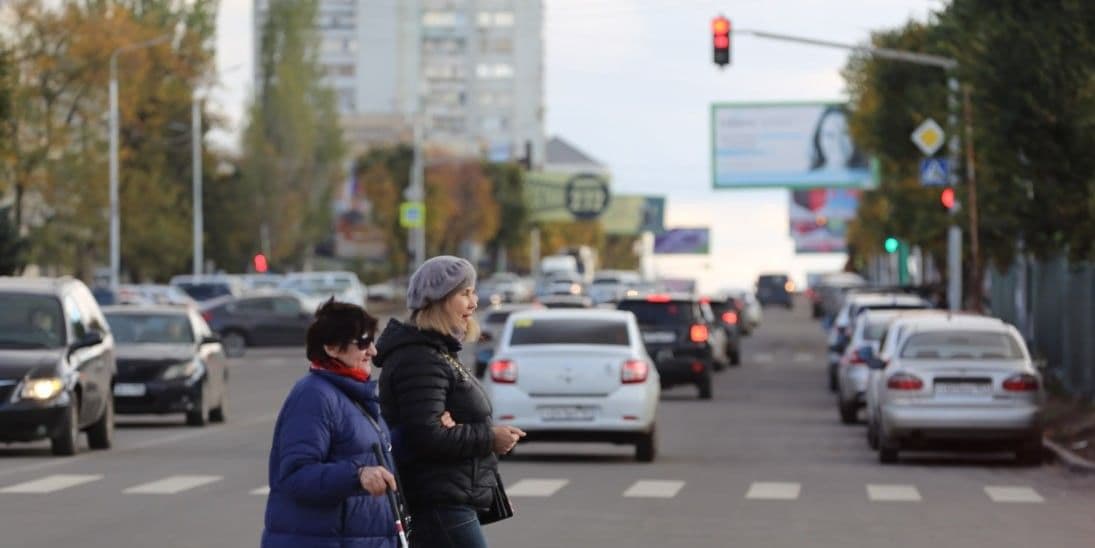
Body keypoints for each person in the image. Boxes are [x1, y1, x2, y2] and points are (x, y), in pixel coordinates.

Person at [375, 255, 526, 548]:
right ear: (439, 299)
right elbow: (427, 435)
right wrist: (489, 438)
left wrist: (464, 428)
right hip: (438, 501)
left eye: (473, 292)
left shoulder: (438, 351)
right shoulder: (419, 358)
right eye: (464, 294)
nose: (474, 303)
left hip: (451, 497)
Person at [262, 298, 402, 548]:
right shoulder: (314, 396)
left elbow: (376, 451)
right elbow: (296, 474)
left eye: (372, 341)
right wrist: (357, 476)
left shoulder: (352, 394)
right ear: (332, 348)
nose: (373, 351)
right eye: (363, 343)